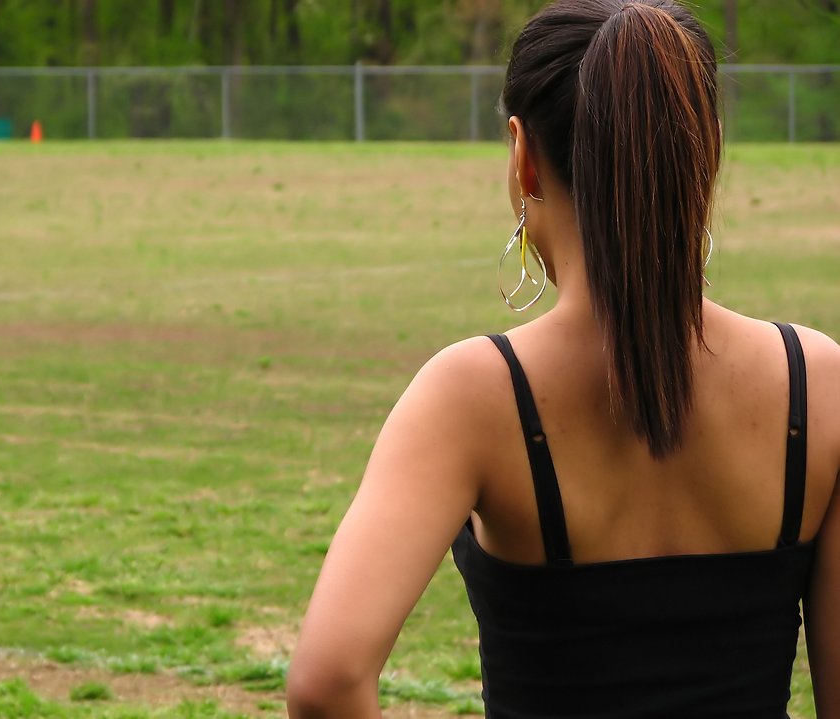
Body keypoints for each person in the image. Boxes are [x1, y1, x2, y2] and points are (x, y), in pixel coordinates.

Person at [286, 1, 840, 717]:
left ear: (523, 154)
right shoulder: (818, 382)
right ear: (707, 150)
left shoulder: (471, 396)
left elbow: (327, 682)